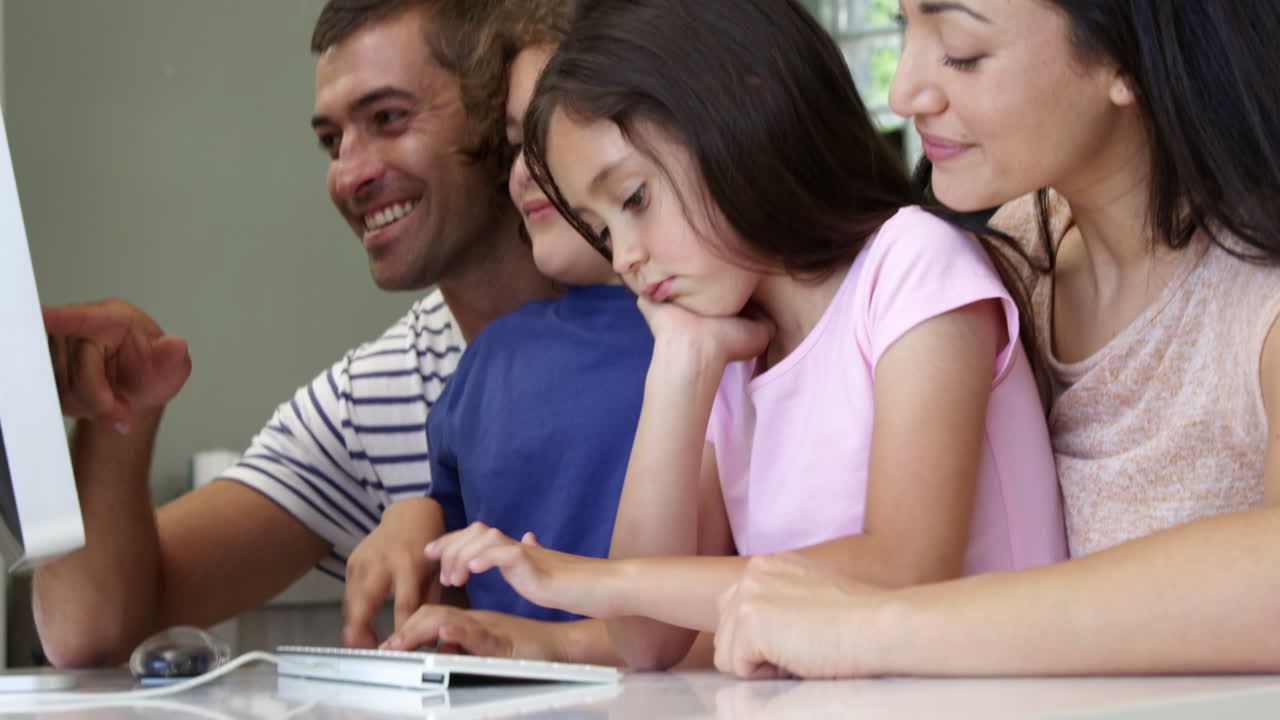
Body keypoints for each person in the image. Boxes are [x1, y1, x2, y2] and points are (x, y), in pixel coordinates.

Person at [414, 0, 1067, 672]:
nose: (625, 259)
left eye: (634, 199)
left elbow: (901, 564)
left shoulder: (912, 266)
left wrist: (584, 579)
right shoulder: (729, 353)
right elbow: (647, 641)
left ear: (742, 112)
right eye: (603, 230)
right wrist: (679, 368)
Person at [712, 0, 1280, 679]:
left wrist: (872, 624)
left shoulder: (1256, 298)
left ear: (1127, 61)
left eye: (962, 51)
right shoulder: (1016, 249)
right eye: (903, 30)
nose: (903, 94)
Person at [33, 0, 558, 668]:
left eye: (388, 119)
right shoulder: (368, 400)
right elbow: (89, 633)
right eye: (332, 141)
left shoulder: (675, 314)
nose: (349, 172)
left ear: (506, 112)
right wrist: (117, 415)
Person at [343, 0, 657, 664]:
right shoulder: (492, 361)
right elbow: (454, 522)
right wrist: (415, 520)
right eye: (517, 142)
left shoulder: (725, 335)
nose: (523, 170)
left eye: (561, 130)